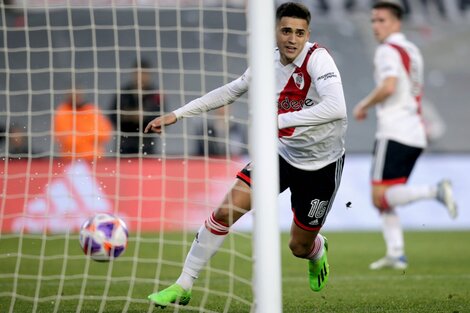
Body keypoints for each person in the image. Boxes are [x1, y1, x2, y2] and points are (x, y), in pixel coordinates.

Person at [145, 2, 347, 307]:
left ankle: (316, 250)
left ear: (307, 35)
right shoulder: (266, 62)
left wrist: (277, 121)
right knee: (225, 212)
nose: (292, 39)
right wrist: (178, 114)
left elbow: (336, 108)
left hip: (322, 164)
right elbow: (231, 90)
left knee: (298, 246)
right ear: (276, 32)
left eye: (299, 33)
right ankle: (183, 283)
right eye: (286, 31)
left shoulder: (319, 60)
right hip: (279, 154)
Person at [353, 0, 457, 270]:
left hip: (394, 130)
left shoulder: (387, 50)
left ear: (396, 22)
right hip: (415, 132)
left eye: (381, 20)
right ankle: (396, 252)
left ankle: (434, 191)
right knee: (390, 195)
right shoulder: (412, 49)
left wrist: (364, 104)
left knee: (379, 197)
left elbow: (389, 86)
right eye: (373, 20)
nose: (376, 26)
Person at [110, 59, 163, 156]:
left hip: (147, 145)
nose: (141, 77)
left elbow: (163, 119)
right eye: (138, 73)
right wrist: (129, 116)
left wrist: (145, 117)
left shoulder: (156, 94)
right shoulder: (122, 93)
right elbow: (112, 116)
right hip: (124, 143)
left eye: (144, 73)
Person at [54, 88, 113, 161]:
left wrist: (80, 133)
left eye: (78, 94)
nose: (76, 97)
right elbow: (66, 138)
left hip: (95, 160)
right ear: (68, 96)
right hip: (70, 160)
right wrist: (88, 134)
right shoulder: (63, 111)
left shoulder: (92, 109)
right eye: (73, 95)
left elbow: (105, 134)